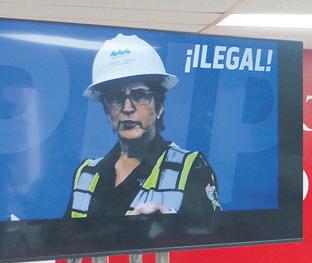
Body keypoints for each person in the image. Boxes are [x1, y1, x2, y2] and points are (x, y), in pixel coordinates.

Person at [65, 34, 221, 218]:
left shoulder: (191, 168)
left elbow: (214, 233)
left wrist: (172, 226)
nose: (127, 108)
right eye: (115, 97)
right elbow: (64, 234)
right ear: (107, 113)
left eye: (139, 95)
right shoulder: (85, 174)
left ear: (159, 107)